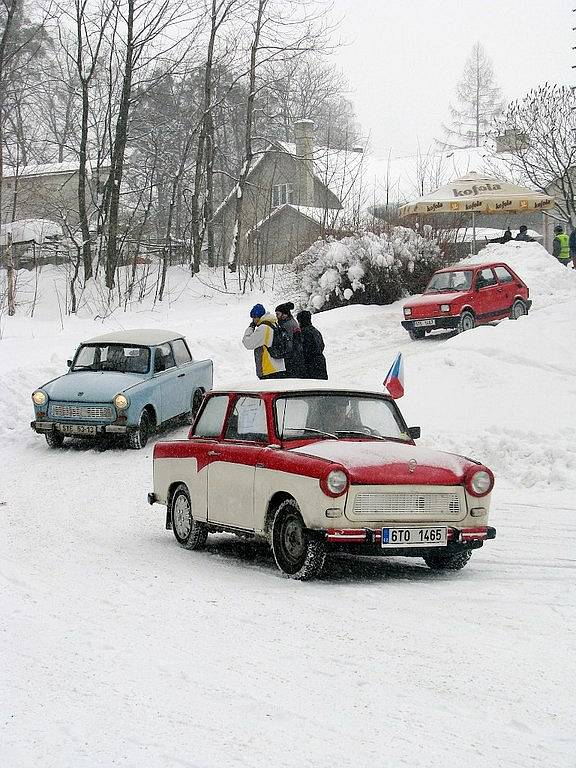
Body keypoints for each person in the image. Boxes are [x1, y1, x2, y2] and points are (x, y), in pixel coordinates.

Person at [242, 304, 286, 379]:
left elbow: (247, 343)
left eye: (253, 318)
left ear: (257, 317)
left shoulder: (264, 328)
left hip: (269, 370)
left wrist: (251, 327)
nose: (253, 320)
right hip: (279, 367)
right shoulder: (274, 324)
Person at [275, 301, 305, 378]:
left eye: (278, 314)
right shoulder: (286, 323)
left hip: (292, 360)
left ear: (284, 314)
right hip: (292, 358)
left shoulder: (289, 325)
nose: (276, 316)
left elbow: (290, 344)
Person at [296, 310, 328, 380]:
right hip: (320, 361)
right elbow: (322, 345)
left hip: (310, 363)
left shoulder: (304, 332)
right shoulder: (315, 330)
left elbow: (304, 349)